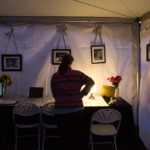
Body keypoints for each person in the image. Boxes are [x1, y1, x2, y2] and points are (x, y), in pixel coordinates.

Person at [51, 54, 94, 150]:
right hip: (76, 109)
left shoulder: (55, 76)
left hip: (60, 111)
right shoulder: (78, 74)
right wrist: (82, 94)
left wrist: (61, 99)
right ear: (71, 62)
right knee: (76, 135)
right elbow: (91, 82)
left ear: (62, 62)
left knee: (63, 136)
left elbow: (54, 94)